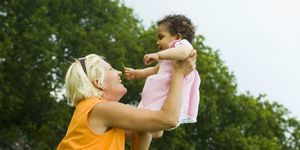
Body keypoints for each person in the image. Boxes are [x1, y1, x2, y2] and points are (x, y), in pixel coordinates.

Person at [57, 53, 196, 150]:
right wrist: (178, 74)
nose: (118, 72)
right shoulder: (102, 109)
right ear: (98, 82)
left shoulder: (90, 111)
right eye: (111, 69)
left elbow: (155, 130)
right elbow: (168, 119)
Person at [124, 14, 201, 146]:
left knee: (142, 125)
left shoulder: (183, 45)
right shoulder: (168, 60)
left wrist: (158, 55)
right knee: (142, 128)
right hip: (155, 99)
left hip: (163, 100)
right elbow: (154, 70)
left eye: (161, 37)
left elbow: (182, 53)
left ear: (178, 37)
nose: (157, 42)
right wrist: (137, 74)